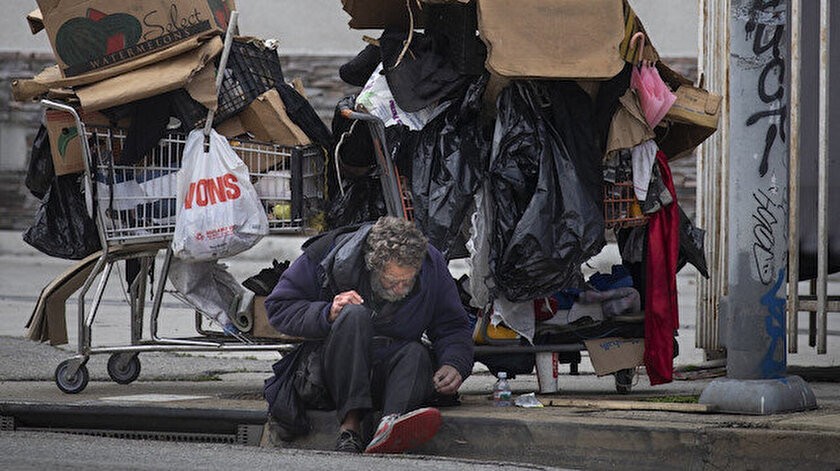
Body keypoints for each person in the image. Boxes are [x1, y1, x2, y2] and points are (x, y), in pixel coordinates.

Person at [264, 217, 474, 454]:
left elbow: (452, 325)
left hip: (391, 368)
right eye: (393, 281)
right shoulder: (326, 254)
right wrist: (327, 313)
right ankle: (350, 429)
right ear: (373, 265)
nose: (401, 289)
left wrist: (454, 363)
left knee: (416, 353)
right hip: (334, 371)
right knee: (353, 315)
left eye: (408, 281)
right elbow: (279, 308)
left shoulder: (431, 263)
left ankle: (390, 426)